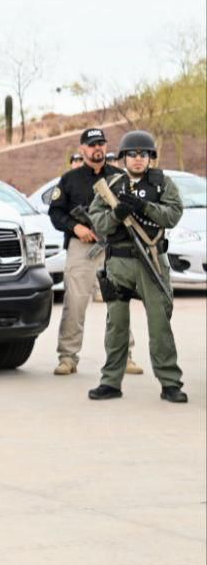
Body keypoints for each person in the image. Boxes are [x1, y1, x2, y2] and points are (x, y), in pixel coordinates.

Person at [87, 131, 187, 403]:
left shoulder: (161, 183)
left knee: (160, 324)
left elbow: (173, 214)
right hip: (119, 263)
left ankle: (170, 383)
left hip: (151, 260)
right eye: (132, 154)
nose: (138, 158)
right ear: (123, 158)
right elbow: (98, 222)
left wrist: (145, 207)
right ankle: (110, 382)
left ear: (151, 157)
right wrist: (115, 215)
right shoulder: (111, 185)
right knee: (116, 325)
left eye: (144, 154)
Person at [47, 128, 142, 376]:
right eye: (91, 144)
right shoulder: (69, 179)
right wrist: (76, 227)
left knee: (119, 303)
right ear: (82, 149)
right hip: (82, 246)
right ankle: (68, 357)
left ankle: (124, 357)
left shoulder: (119, 177)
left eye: (101, 143)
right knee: (75, 303)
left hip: (113, 245)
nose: (97, 148)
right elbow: (55, 213)